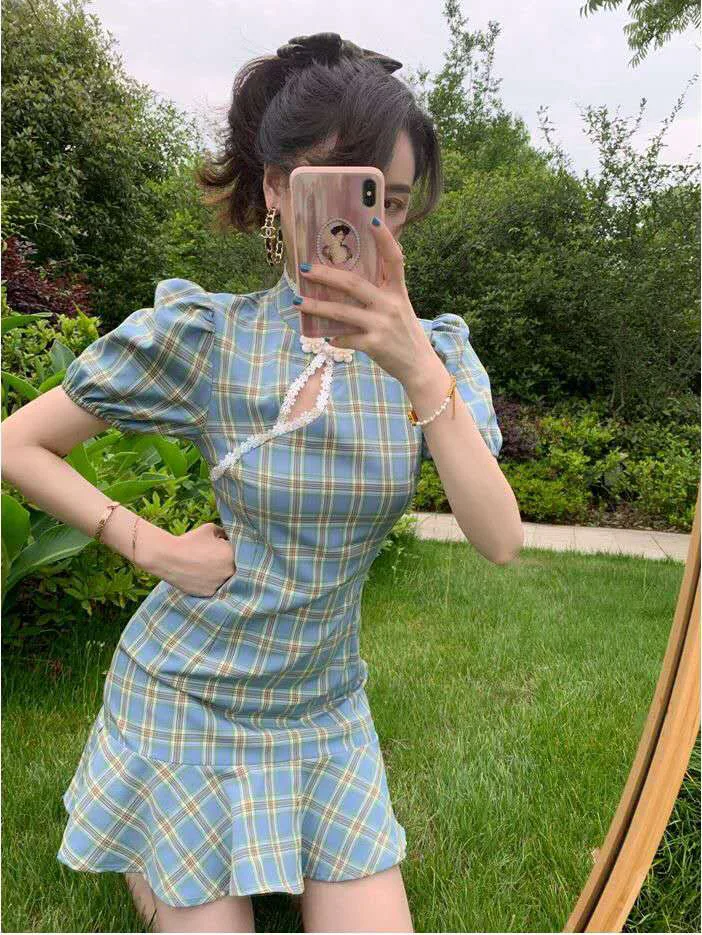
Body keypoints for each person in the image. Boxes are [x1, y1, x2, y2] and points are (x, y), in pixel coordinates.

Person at [1, 31, 522, 934]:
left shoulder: (437, 357)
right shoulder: (208, 336)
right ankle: (154, 814)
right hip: (187, 696)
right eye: (345, 192)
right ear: (279, 189)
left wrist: (415, 367)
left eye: (391, 202)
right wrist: (152, 547)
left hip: (323, 712)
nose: (368, 227)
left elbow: (501, 539)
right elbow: (17, 443)